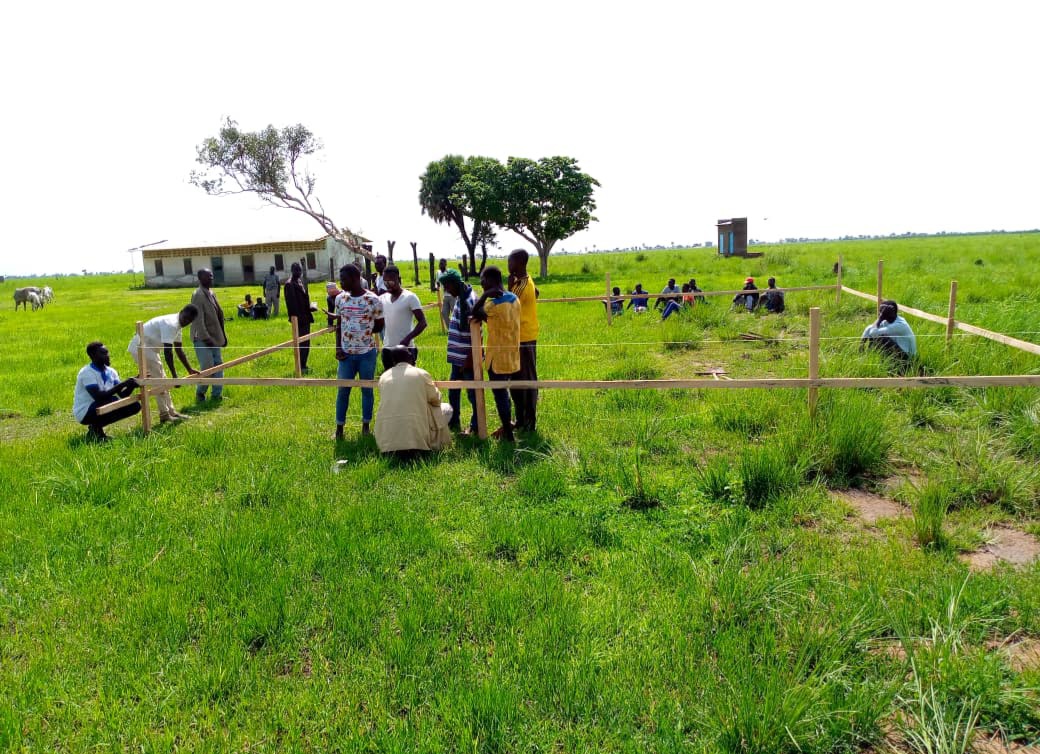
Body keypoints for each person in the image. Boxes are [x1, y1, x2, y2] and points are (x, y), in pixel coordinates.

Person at [332, 263, 385, 439]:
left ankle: (366, 427)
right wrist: (338, 347)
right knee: (343, 391)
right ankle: (339, 429)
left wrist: (362, 333)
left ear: (355, 279)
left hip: (366, 354)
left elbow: (379, 325)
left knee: (367, 390)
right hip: (346, 355)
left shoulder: (373, 300)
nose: (341, 282)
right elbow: (339, 324)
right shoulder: (340, 299)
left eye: (344, 279)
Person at [374, 346, 453, 456]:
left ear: (393, 360)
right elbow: (436, 400)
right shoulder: (421, 374)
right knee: (447, 408)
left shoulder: (383, 377)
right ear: (410, 357)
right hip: (418, 443)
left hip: (387, 445)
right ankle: (435, 444)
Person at [471, 265, 520, 442]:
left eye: (483, 281)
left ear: (491, 281)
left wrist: (484, 296)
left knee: (500, 396)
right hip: (512, 355)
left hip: (496, 358)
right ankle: (511, 425)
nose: (482, 284)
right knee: (507, 393)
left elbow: (474, 312)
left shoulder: (492, 305)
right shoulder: (514, 299)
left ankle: (508, 432)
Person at [127, 305, 199, 423]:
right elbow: (168, 352)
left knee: (162, 378)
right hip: (140, 347)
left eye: (189, 321)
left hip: (150, 348)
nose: (186, 322)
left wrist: (189, 369)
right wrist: (175, 376)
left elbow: (179, 350)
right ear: (181, 312)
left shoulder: (178, 326)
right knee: (159, 380)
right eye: (185, 318)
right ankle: (164, 414)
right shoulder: (170, 324)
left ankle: (171, 411)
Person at [73, 341, 141, 441]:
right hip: (85, 411)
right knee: (112, 400)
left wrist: (132, 385)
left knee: (134, 406)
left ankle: (95, 428)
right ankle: (97, 430)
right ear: (93, 356)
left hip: (103, 404)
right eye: (103, 353)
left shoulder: (111, 371)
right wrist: (123, 384)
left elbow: (122, 395)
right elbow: (99, 397)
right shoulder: (86, 373)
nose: (107, 356)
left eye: (107, 352)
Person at [439, 268, 480, 434]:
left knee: (473, 394)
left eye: (447, 286)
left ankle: (477, 425)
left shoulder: (470, 300)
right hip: (457, 358)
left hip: (467, 358)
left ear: (454, 284)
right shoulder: (461, 297)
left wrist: (470, 359)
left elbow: (477, 334)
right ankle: (453, 422)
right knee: (453, 392)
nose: (446, 290)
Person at [507, 249, 539, 432]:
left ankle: (528, 422)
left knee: (525, 380)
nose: (508, 265)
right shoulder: (527, 281)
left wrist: (508, 287)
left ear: (518, 263)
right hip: (525, 336)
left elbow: (506, 304)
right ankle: (522, 419)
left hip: (523, 337)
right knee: (520, 378)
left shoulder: (519, 286)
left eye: (510, 261)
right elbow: (536, 293)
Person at [189, 268, 227, 403]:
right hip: (201, 338)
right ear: (200, 279)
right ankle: (200, 393)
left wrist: (222, 336)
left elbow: (217, 316)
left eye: (211, 276)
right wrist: (206, 338)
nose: (211, 278)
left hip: (214, 337)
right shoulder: (198, 294)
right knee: (208, 367)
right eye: (208, 277)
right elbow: (198, 320)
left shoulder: (211, 293)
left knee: (218, 365)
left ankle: (217, 395)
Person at [379, 265, 427, 349]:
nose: (388, 285)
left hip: (406, 348)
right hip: (387, 348)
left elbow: (423, 322)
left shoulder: (410, 297)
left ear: (399, 279)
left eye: (391, 282)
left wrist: (407, 339)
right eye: (385, 282)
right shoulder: (383, 298)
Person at [861, 299, 917, 368]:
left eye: (882, 312)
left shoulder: (900, 324)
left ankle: (900, 366)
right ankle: (868, 359)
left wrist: (880, 317)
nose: (880, 313)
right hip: (899, 351)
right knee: (876, 337)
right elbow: (869, 328)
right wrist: (861, 345)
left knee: (881, 338)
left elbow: (873, 332)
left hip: (908, 358)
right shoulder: (887, 321)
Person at [284, 262, 314, 373]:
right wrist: (296, 319)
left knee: (306, 342)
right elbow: (291, 305)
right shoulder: (289, 284)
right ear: (292, 271)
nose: (299, 273)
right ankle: (300, 366)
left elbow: (304, 299)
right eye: (296, 270)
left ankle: (304, 364)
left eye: (299, 270)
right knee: (301, 343)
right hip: (299, 320)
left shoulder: (300, 282)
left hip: (306, 317)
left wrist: (309, 308)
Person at [438, 259, 456, 328]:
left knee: (454, 314)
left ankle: (457, 329)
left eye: (442, 263)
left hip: (452, 296)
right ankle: (451, 329)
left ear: (445, 264)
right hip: (445, 297)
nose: (440, 265)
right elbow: (438, 282)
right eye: (440, 264)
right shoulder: (438, 273)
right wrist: (437, 286)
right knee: (444, 313)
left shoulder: (449, 272)